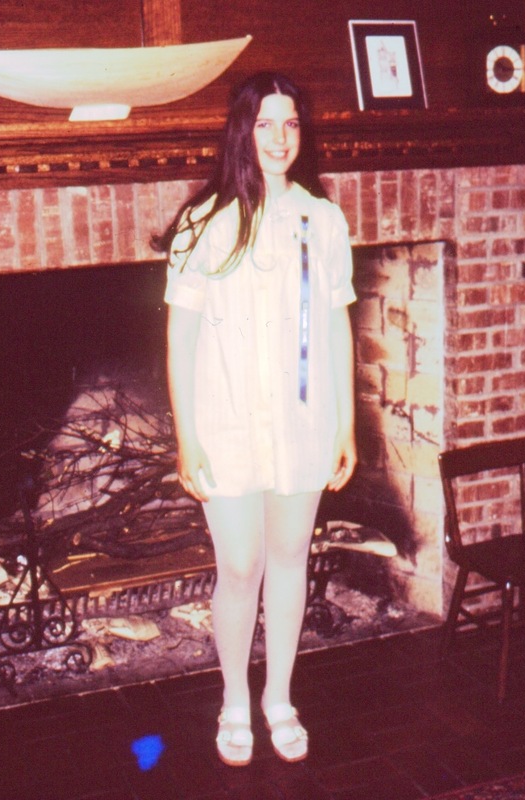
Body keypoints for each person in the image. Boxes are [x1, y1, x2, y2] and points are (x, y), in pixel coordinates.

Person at [157, 72, 357, 766]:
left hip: (303, 421)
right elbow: (180, 338)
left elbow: (336, 326)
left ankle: (279, 698)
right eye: (265, 123)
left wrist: (345, 426)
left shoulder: (322, 220)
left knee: (289, 560)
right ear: (241, 131)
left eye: (291, 123)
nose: (278, 137)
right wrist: (186, 437)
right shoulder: (204, 221)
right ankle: (234, 701)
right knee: (240, 565)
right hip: (227, 423)